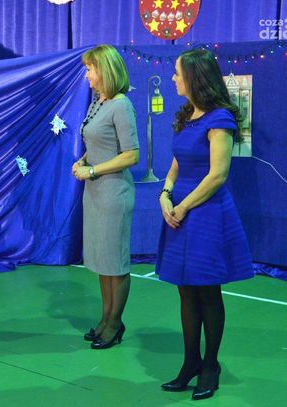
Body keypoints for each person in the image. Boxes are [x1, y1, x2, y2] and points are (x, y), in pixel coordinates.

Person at [156, 49, 254, 401]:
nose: (173, 79)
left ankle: (210, 366)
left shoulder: (220, 118)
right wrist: (165, 194)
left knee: (208, 292)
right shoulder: (187, 115)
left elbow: (217, 175)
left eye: (177, 73)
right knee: (185, 290)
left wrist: (182, 206)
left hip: (206, 213)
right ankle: (191, 363)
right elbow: (177, 164)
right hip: (180, 211)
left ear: (194, 78)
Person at [72, 45, 140, 350]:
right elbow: (98, 143)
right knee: (102, 260)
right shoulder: (98, 102)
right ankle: (105, 318)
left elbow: (131, 155)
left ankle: (115, 323)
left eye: (90, 69)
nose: (87, 74)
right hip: (95, 191)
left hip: (114, 193)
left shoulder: (122, 106)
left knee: (115, 262)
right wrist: (84, 160)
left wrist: (93, 170)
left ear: (105, 70)